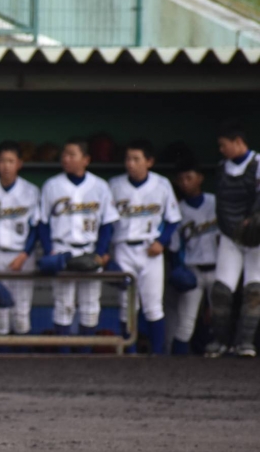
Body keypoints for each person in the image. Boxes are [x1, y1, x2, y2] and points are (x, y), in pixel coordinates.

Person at [38, 138, 120, 351]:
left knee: (90, 306)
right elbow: (43, 223)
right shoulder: (52, 185)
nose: (66, 158)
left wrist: (100, 253)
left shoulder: (100, 186)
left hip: (89, 249)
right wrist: (49, 252)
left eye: (72, 155)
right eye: (64, 154)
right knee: (63, 305)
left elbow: (107, 224)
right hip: (62, 249)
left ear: (86, 159)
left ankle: (85, 354)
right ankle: (63, 355)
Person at [109, 140, 181, 354]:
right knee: (126, 305)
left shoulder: (162, 184)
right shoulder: (114, 185)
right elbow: (106, 222)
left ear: (149, 162)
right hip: (123, 248)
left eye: (136, 159)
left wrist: (162, 241)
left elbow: (173, 219)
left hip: (151, 250)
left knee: (153, 306)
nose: (130, 164)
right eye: (127, 159)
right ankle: (129, 354)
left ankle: (157, 355)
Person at [206, 121, 260, 358]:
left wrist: (254, 220)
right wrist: (233, 228)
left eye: (224, 145)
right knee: (221, 291)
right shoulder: (222, 167)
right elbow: (222, 203)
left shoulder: (257, 163)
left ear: (238, 141)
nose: (221, 150)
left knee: (254, 291)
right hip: (231, 236)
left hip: (256, 237)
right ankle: (220, 341)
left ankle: (245, 343)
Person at [0, 141, 40, 336]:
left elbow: (36, 228)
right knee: (0, 311)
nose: (6, 166)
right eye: (3, 161)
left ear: (19, 164)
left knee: (21, 311)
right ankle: (2, 353)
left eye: (11, 161)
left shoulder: (31, 191)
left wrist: (24, 255)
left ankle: (21, 353)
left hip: (23, 254)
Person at [168, 157, 218, 355]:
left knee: (220, 321)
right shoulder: (178, 210)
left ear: (200, 178)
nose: (185, 183)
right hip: (193, 270)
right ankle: (176, 367)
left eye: (189, 177)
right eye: (181, 179)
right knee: (185, 323)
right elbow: (174, 248)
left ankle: (225, 365)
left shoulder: (215, 202)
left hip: (219, 269)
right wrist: (177, 269)